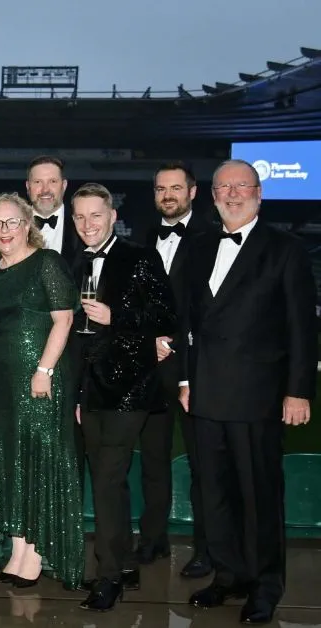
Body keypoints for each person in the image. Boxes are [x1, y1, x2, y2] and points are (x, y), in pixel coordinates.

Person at [179, 160, 317, 625]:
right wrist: (185, 380)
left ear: (259, 193)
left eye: (242, 186)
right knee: (214, 493)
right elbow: (186, 320)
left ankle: (265, 585)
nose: (233, 194)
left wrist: (298, 391)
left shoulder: (285, 249)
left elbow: (302, 326)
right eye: (224, 187)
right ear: (212, 195)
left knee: (259, 496)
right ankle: (228, 575)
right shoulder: (199, 246)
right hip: (205, 394)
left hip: (258, 396)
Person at [70, 183, 177, 612]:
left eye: (96, 215)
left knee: (107, 479)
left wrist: (116, 316)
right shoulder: (75, 262)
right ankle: (125, 563)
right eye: (80, 217)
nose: (88, 224)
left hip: (131, 387)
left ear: (113, 216)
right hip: (91, 389)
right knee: (108, 479)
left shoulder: (140, 257)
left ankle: (109, 576)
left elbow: (166, 315)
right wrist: (78, 393)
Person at [0, 193, 83, 590]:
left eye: (12, 222)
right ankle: (18, 549)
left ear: (27, 225)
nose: (4, 230)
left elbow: (64, 320)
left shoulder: (46, 262)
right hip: (3, 380)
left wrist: (44, 370)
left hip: (40, 377)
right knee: (13, 462)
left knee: (38, 458)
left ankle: (36, 554)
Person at [136, 162, 218, 577]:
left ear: (193, 192)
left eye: (175, 188)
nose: (167, 195)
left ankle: (207, 549)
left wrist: (174, 341)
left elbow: (207, 306)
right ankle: (152, 540)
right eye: (160, 189)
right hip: (151, 367)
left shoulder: (213, 237)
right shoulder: (144, 237)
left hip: (194, 367)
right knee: (153, 458)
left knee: (204, 464)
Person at [25, 156, 82, 267]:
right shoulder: (12, 224)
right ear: (28, 186)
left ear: (64, 185)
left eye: (53, 181)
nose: (45, 190)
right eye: (37, 182)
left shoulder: (83, 223)